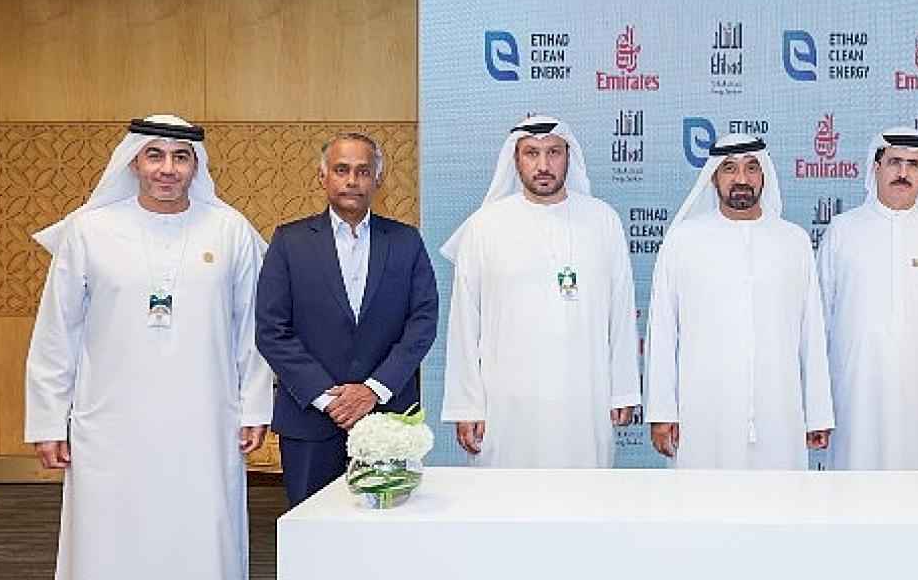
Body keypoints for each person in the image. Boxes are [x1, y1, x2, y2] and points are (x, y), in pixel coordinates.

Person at [25, 115, 273, 580]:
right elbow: (58, 330)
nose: (167, 169)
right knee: (110, 536)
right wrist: (48, 418)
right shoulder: (90, 230)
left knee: (200, 531)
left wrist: (254, 407)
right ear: (133, 162)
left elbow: (251, 329)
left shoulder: (229, 229)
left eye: (181, 157)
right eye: (154, 155)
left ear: (196, 166)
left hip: (204, 420)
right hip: (111, 423)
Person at [440, 115, 639, 467]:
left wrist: (623, 390)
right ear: (515, 160)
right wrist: (466, 405)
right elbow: (464, 325)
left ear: (569, 157)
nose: (543, 165)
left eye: (553, 152)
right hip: (507, 405)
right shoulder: (485, 226)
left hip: (584, 400)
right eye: (531, 153)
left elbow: (621, 314)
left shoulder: (602, 220)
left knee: (584, 491)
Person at [256, 132, 438, 506]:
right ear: (323, 176)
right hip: (310, 420)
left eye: (363, 171)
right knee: (311, 526)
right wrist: (329, 399)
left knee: (388, 526)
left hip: (388, 420)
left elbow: (422, 322)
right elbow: (272, 330)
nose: (352, 180)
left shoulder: (405, 241)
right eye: (341, 170)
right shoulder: (289, 241)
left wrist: (373, 389)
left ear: (378, 179)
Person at [645, 134, 833, 469]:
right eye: (730, 168)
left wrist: (818, 413)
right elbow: (661, 332)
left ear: (764, 176)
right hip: (704, 415)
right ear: (714, 177)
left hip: (779, 415)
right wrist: (661, 412)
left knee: (779, 497)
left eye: (752, 168)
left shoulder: (793, 241)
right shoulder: (683, 241)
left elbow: (812, 335)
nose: (741, 178)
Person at [817, 127, 918, 470]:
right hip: (852, 389)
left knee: (910, 482)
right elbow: (820, 318)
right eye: (894, 162)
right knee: (852, 479)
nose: (903, 173)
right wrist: (819, 401)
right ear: (876, 167)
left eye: (913, 165)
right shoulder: (843, 230)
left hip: (917, 391)